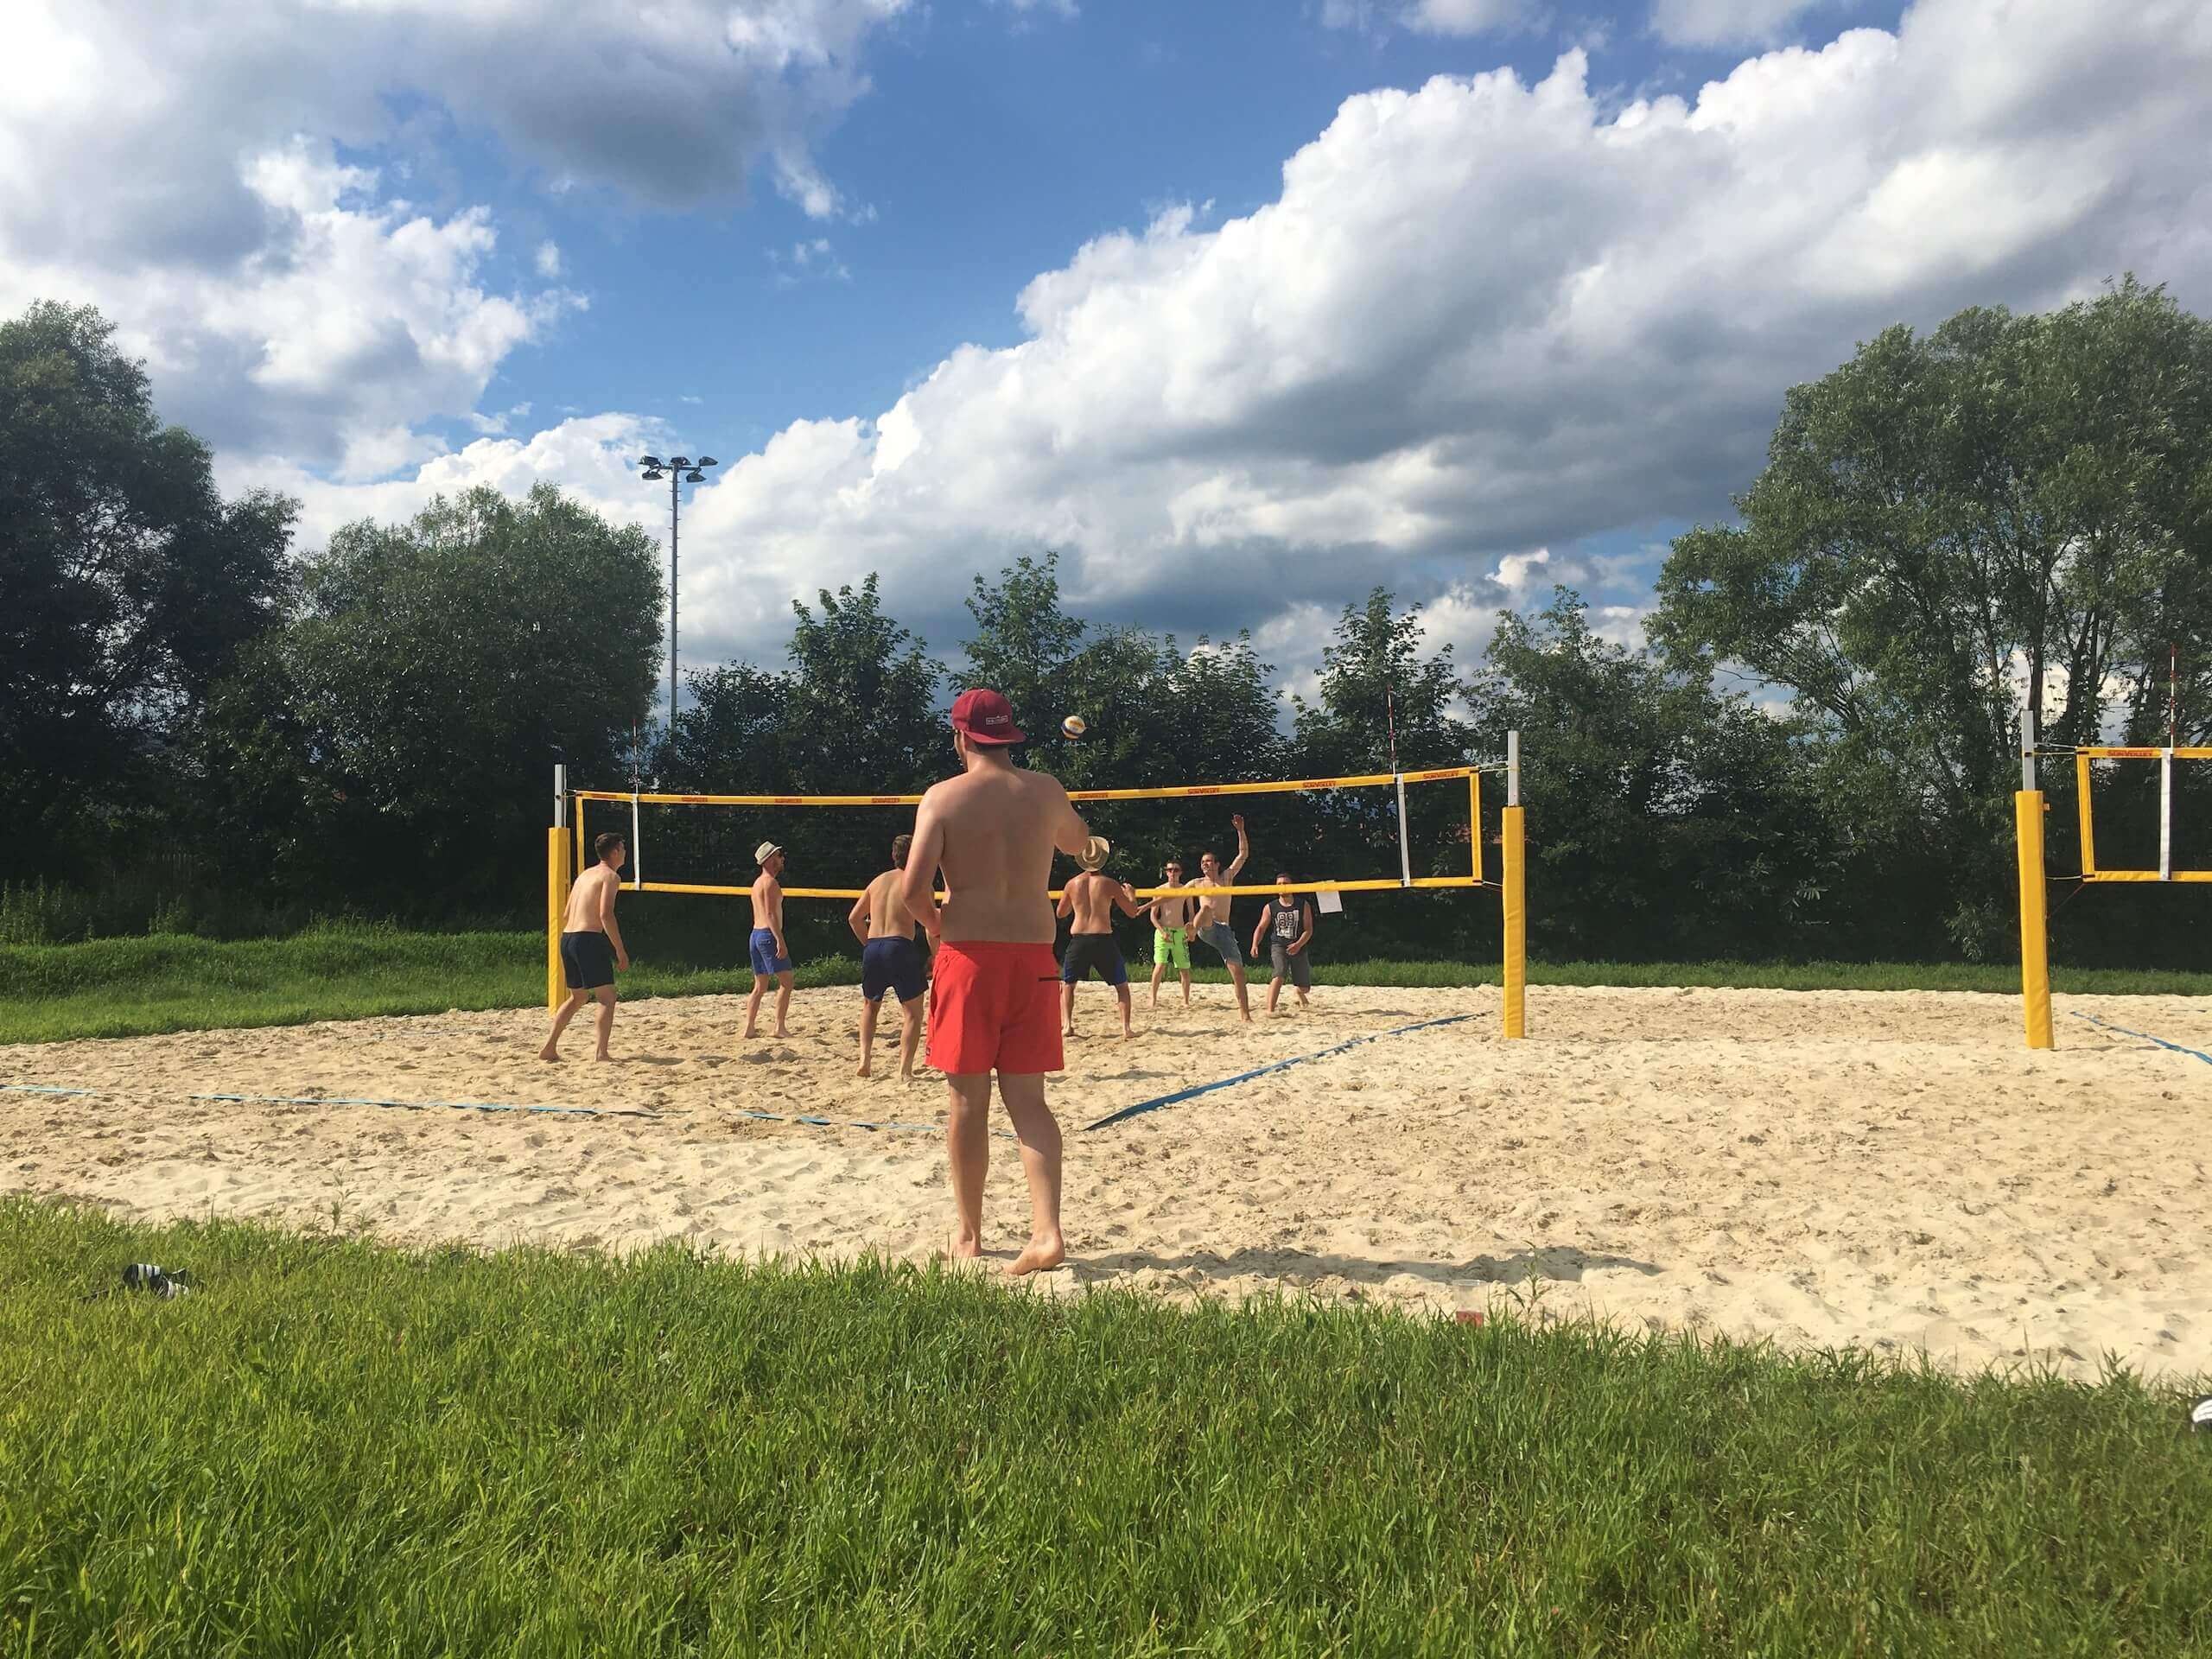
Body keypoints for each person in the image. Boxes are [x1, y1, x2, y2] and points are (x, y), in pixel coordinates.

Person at [902, 688, 1090, 1276]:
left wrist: (938, 927)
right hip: (1034, 954)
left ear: (960, 737)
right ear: (1010, 736)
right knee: (1030, 1103)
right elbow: (1080, 845)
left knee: (967, 1103)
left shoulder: (943, 797)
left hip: (971, 956)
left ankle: (970, 1234)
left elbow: (912, 891)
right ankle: (1047, 1232)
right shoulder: (1046, 789)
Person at [848, 833, 933, 1080]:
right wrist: (936, 956)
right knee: (913, 1013)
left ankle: (864, 1061)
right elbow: (929, 925)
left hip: (874, 946)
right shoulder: (918, 881)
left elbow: (854, 918)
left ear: (893, 856)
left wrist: (868, 945)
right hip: (899, 946)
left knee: (870, 1007)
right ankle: (904, 1070)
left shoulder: (877, 881)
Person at [541, 832, 631, 1061]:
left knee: (578, 998)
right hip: (587, 939)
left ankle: (549, 1047)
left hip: (568, 938)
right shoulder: (610, 876)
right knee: (607, 997)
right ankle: (601, 1053)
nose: (625, 851)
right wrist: (620, 950)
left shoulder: (584, 875)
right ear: (614, 852)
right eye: (623, 847)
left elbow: (566, 913)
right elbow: (605, 914)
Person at [1057, 840, 1144, 1039]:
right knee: (1121, 985)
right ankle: (1126, 1028)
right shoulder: (1109, 884)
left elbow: (1061, 913)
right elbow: (1132, 912)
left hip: (1079, 937)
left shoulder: (1072, 884)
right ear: (1102, 860)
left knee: (1069, 984)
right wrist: (1132, 895)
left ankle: (1067, 1025)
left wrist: (1076, 904)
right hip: (1102, 937)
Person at [1187, 815, 1253, 1022]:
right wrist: (1143, 903)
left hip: (1224, 930)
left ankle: (1245, 1014)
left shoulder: (1226, 878)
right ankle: (1191, 933)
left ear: (1217, 864)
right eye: (1202, 862)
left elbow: (1243, 855)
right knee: (1205, 908)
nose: (1205, 865)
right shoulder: (1197, 883)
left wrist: (1240, 830)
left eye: (1208, 861)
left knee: (1239, 974)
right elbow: (1168, 893)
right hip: (1205, 927)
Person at [744, 841, 794, 1039]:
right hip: (767, 934)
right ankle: (779, 1027)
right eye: (779, 855)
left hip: (755, 935)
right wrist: (780, 940)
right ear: (770, 859)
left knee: (760, 986)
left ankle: (749, 1028)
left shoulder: (757, 883)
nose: (782, 859)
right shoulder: (771, 883)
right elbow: (771, 913)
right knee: (787, 982)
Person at [1249, 871, 1316, 1013]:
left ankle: (1299, 993)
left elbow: (1309, 930)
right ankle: (1270, 1010)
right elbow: (1261, 927)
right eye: (1279, 884)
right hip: (1278, 945)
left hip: (1298, 944)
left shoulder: (1303, 905)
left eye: (1285, 883)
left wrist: (1298, 944)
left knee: (1305, 988)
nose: (1282, 886)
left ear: (1292, 886)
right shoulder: (1270, 907)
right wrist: (1255, 944)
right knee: (1279, 974)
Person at [1147, 859, 1196, 1010]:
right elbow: (1153, 916)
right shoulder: (1159, 889)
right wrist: (1162, 932)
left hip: (1180, 932)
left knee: (1184, 969)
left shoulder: (1186, 890)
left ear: (1180, 872)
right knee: (1160, 965)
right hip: (1163, 931)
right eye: (1169, 870)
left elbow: (1192, 914)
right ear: (1166, 872)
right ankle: (1153, 999)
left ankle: (1186, 1001)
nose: (1172, 873)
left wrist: (1190, 929)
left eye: (1175, 870)